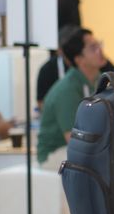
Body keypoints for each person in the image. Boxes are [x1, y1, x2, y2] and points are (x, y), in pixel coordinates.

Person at [37, 28, 106, 171]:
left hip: (82, 146)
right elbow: (74, 140)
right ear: (79, 59)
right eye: (93, 47)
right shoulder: (67, 89)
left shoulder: (100, 79)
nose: (100, 50)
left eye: (99, 44)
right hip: (55, 153)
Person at [36, 25, 79, 111]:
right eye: (68, 49)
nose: (72, 53)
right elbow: (41, 103)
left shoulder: (91, 63)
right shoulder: (47, 69)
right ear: (59, 50)